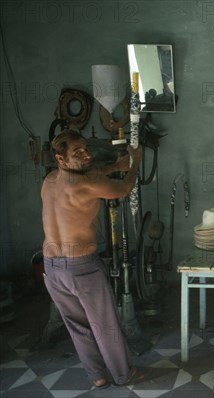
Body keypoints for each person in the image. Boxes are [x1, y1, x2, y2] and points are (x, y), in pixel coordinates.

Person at [41, 129, 146, 388]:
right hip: (81, 267)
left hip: (52, 268)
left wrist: (113, 165)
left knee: (78, 326)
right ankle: (123, 374)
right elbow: (124, 188)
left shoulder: (50, 180)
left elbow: (90, 173)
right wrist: (135, 163)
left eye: (86, 148)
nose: (87, 155)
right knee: (105, 324)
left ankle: (97, 376)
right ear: (60, 159)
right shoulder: (86, 184)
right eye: (78, 153)